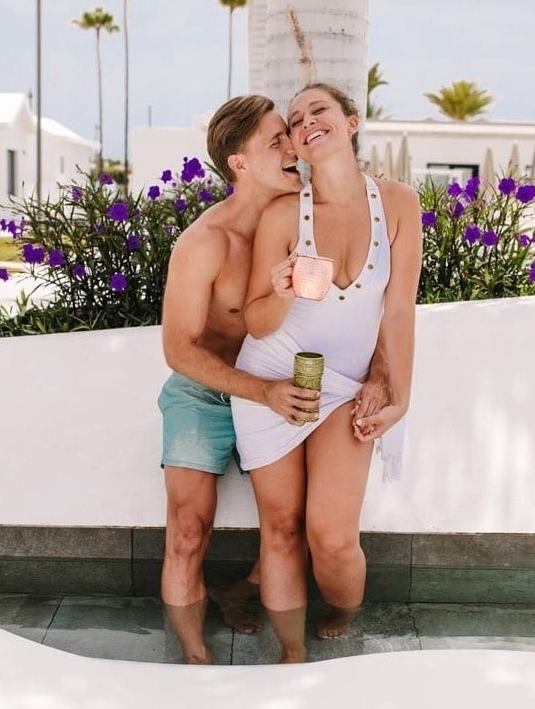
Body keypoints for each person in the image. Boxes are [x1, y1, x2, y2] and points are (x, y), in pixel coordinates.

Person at [232, 82, 423, 663]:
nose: (307, 121)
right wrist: (281, 287)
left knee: (333, 540)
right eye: (295, 119)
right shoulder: (285, 214)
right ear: (293, 142)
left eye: (320, 109)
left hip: (345, 386)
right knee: (283, 530)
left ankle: (342, 608)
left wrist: (399, 394)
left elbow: (397, 309)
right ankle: (290, 652)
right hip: (272, 381)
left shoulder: (397, 203)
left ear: (352, 121)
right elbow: (258, 322)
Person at [158, 94, 324, 665]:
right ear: (239, 163)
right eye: (275, 140)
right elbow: (178, 349)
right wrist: (262, 393)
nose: (292, 147)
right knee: (186, 529)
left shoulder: (310, 217)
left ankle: (251, 607)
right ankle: (196, 664)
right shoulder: (205, 242)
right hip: (207, 390)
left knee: (290, 525)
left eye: (290, 136)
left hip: (274, 384)